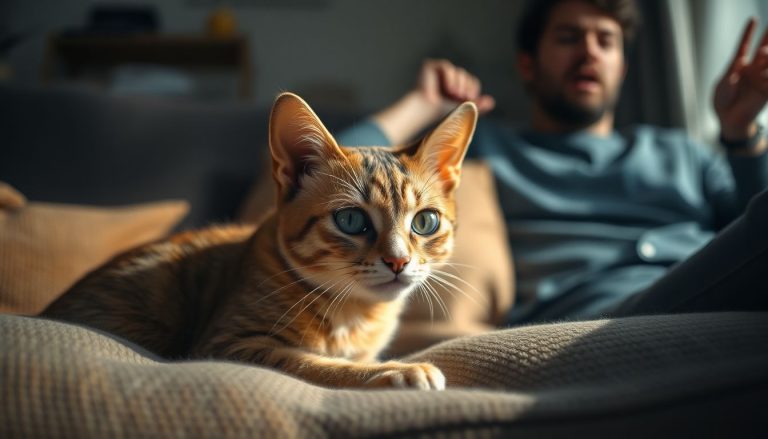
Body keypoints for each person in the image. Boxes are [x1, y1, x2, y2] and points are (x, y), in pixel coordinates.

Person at [336, 0, 768, 326]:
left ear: (621, 69)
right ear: (528, 65)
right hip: (593, 317)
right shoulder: (486, 147)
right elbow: (330, 177)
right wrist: (422, 104)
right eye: (568, 38)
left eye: (606, 41)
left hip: (715, 291)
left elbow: (748, 230)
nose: (589, 53)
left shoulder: (683, 152)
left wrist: (740, 132)